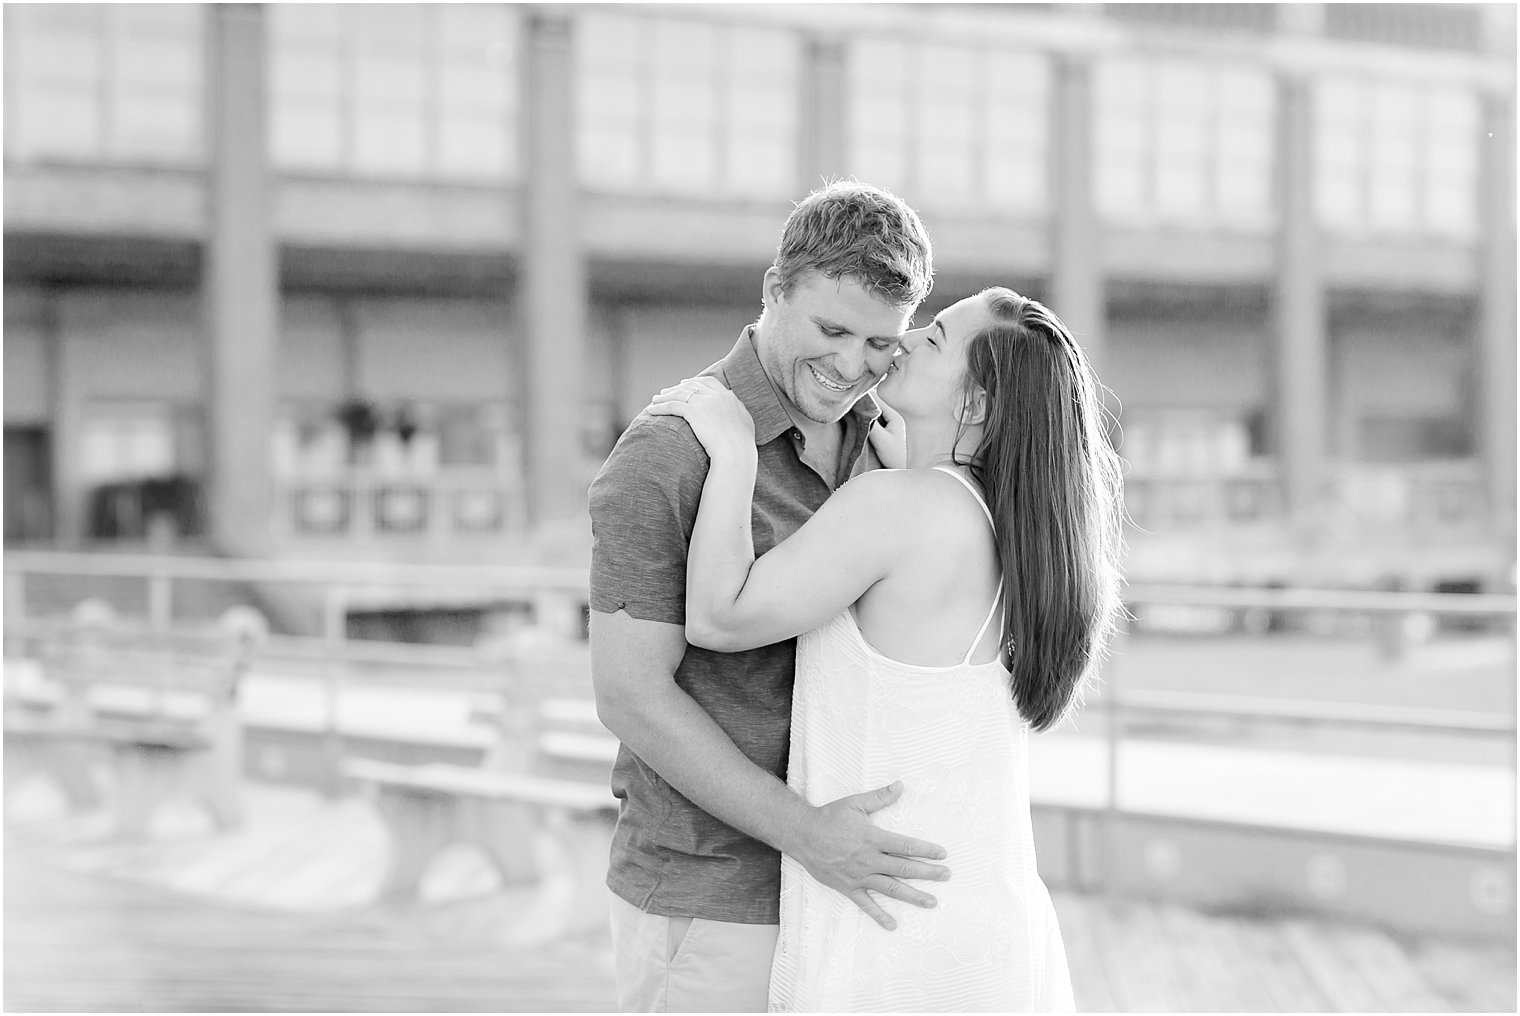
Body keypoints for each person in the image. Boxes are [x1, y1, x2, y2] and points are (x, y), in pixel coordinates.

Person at [646, 287, 1125, 1012]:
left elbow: (719, 616)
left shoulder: (897, 507)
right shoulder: (1008, 524)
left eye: (933, 340)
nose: (904, 341)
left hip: (891, 940)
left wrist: (732, 447)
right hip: (980, 923)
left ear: (979, 406)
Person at [588, 181, 946, 1013]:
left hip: (850, 896)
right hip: (714, 898)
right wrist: (808, 835)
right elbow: (629, 695)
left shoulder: (887, 443)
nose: (853, 366)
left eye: (881, 344)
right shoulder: (668, 453)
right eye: (831, 330)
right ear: (773, 290)